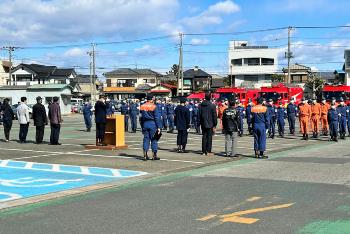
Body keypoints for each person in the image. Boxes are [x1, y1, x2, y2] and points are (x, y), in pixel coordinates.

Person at [140, 94, 161, 160]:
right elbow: (157, 117)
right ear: (152, 99)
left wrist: (142, 126)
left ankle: (145, 155)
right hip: (152, 124)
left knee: (146, 139)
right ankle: (154, 155)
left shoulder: (142, 106)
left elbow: (141, 117)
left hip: (145, 123)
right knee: (154, 139)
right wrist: (159, 127)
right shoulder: (154, 106)